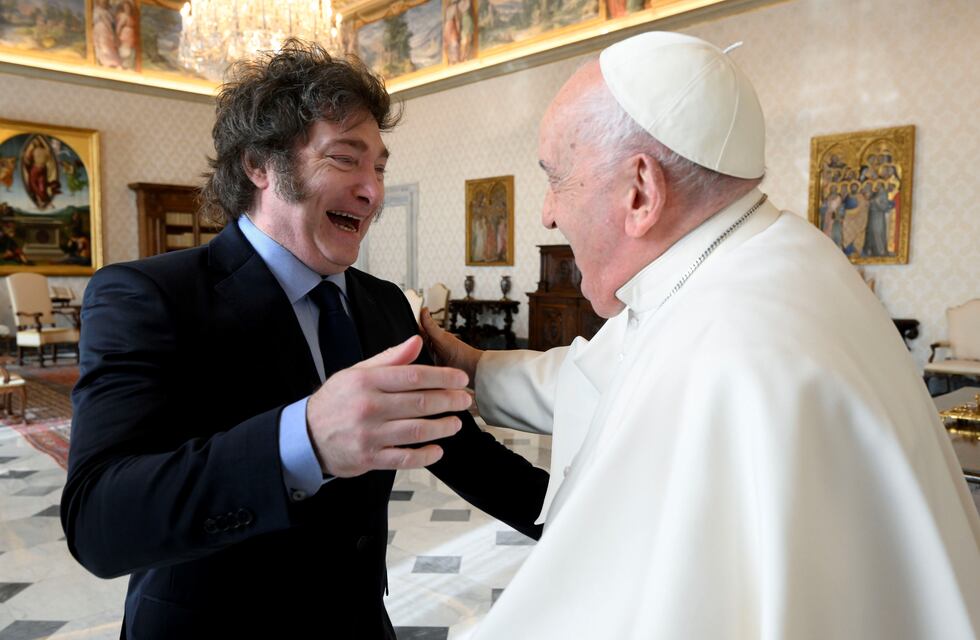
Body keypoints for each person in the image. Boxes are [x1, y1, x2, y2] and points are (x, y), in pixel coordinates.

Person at [422, 31, 980, 639]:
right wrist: (468, 364)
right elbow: (595, 378)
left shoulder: (726, 347)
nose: (548, 214)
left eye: (557, 179)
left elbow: (610, 607)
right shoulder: (762, 258)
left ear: (640, 191)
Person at [62, 40, 548, 639]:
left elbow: (466, 453)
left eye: (380, 167)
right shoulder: (147, 296)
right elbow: (100, 522)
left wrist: (599, 524)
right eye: (346, 159)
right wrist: (305, 440)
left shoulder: (385, 305)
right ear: (261, 165)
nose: (374, 191)